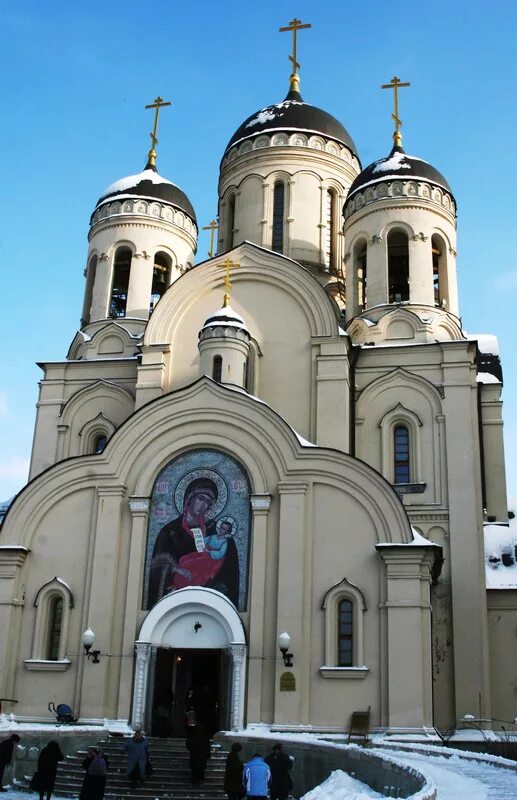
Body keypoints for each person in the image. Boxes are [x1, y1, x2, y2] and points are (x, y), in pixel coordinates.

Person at [147, 477, 239, 607]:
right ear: (188, 499)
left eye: (208, 502)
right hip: (174, 603)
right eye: (200, 499)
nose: (203, 505)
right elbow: (158, 565)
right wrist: (176, 570)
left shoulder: (216, 531)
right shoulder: (170, 531)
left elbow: (227, 575)